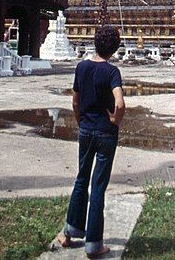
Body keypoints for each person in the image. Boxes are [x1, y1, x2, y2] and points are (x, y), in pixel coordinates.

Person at [61, 25, 125, 258]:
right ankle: (94, 244)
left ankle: (70, 231)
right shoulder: (112, 72)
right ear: (114, 48)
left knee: (81, 179)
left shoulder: (81, 67)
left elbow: (75, 102)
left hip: (86, 130)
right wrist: (114, 121)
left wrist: (81, 122)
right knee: (98, 187)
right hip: (106, 133)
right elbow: (119, 103)